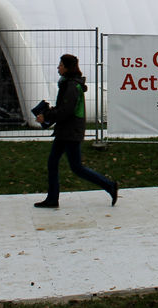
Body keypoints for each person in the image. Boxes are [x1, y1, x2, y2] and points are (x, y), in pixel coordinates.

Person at [34, 54, 118, 208]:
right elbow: (64, 109)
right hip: (66, 131)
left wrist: (47, 115)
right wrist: (48, 114)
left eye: (60, 65)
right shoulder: (68, 84)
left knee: (76, 167)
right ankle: (52, 198)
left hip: (70, 132)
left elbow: (66, 111)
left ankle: (109, 185)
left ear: (66, 67)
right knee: (54, 162)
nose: (58, 67)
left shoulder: (71, 86)